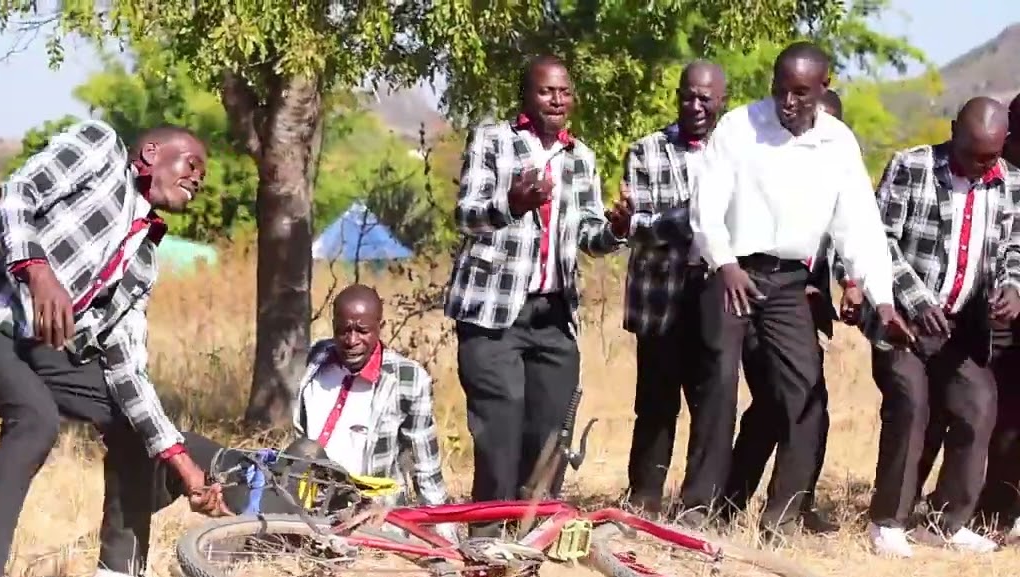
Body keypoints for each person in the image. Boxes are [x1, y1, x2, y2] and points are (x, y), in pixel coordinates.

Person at [0, 119, 224, 577]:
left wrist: (181, 462)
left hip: (29, 339)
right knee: (34, 419)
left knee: (127, 418)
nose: (197, 178)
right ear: (149, 154)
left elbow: (127, 367)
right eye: (189, 163)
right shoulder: (99, 149)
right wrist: (36, 269)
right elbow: (14, 193)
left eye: (202, 174)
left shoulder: (143, 258)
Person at [686, 41, 901, 542]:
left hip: (789, 281)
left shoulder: (838, 144)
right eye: (781, 90)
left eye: (801, 93)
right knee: (717, 385)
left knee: (805, 395)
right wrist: (724, 261)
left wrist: (882, 297)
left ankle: (782, 516)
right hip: (731, 272)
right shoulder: (740, 128)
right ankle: (699, 508)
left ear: (823, 88)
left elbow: (859, 228)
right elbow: (707, 205)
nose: (788, 102)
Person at [446, 54, 627, 537]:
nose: (557, 100)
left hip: (552, 314)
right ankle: (485, 540)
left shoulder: (580, 157)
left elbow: (590, 235)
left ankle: (532, 536)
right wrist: (512, 203)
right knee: (499, 430)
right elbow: (466, 215)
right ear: (526, 95)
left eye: (565, 92)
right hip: (493, 313)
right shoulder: (493, 141)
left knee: (551, 432)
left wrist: (617, 228)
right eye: (547, 91)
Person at [866, 97, 1020, 557]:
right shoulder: (911, 167)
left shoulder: (1010, 183)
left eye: (990, 156)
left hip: (956, 327)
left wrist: (1012, 288)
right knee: (911, 405)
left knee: (978, 402)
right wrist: (916, 299)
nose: (979, 167)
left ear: (1005, 145)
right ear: (953, 130)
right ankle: (888, 521)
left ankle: (944, 521)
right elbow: (878, 241)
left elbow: (1013, 247)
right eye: (971, 154)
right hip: (902, 323)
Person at [719, 89, 862, 534]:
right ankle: (750, 506)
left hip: (802, 311)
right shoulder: (768, 169)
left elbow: (845, 238)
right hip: (757, 298)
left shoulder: (835, 170)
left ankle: (787, 506)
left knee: (798, 405)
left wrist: (849, 283)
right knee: (782, 405)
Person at [619, 60, 727, 516]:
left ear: (723, 99)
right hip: (661, 293)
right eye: (688, 95)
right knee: (656, 403)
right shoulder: (646, 150)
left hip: (717, 291)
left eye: (705, 97)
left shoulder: (735, 152)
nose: (695, 105)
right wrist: (700, 216)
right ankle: (643, 499)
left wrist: (674, 219)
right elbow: (638, 228)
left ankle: (698, 505)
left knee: (714, 401)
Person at [293, 285, 455, 540]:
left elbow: (426, 469)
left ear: (380, 326)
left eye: (362, 331)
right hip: (308, 500)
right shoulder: (318, 359)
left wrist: (446, 541)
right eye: (344, 330)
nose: (352, 340)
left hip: (371, 515)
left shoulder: (407, 379)